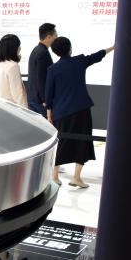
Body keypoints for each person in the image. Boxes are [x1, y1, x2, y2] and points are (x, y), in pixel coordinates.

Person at [45, 37, 115, 188]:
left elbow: (48, 95)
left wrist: (49, 115)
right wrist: (114, 47)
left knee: (60, 143)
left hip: (61, 112)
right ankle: (76, 177)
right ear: (70, 48)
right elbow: (97, 55)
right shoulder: (79, 61)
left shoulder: (52, 69)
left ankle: (54, 175)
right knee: (82, 142)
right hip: (81, 109)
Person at [27, 23, 58, 116]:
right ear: (49, 37)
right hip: (40, 102)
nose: (56, 39)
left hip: (33, 97)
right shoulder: (43, 53)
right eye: (55, 36)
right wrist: (45, 100)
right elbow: (41, 78)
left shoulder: (36, 49)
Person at [0, 33, 27, 108]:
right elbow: (18, 94)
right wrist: (26, 112)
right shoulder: (13, 66)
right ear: (13, 48)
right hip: (11, 107)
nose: (20, 48)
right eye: (18, 46)